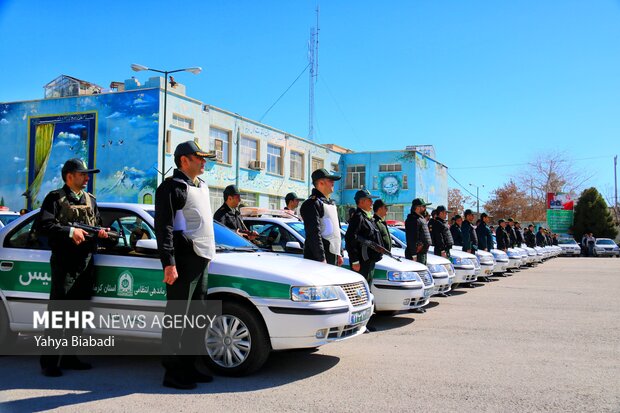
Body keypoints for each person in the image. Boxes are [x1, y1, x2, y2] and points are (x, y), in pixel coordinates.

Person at [37, 158, 109, 377]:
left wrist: (102, 233)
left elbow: (96, 224)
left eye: (87, 175)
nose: (87, 178)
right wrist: (70, 232)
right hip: (64, 263)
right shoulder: (54, 199)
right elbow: (44, 225)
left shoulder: (91, 200)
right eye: (82, 174)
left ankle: (69, 357)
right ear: (69, 176)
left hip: (85, 262)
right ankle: (49, 362)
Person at [155, 141, 217, 390]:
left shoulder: (201, 186)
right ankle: (172, 372)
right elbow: (164, 228)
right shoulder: (171, 188)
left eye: (204, 158)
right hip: (183, 259)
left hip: (202, 258)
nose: (204, 162)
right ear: (183, 161)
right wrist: (168, 263)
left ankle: (190, 367)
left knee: (197, 316)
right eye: (198, 158)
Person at [299, 168, 343, 266]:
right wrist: (321, 258)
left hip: (332, 255)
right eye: (330, 180)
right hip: (319, 259)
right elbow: (313, 234)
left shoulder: (331, 203)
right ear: (321, 183)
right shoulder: (311, 204)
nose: (333, 183)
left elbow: (336, 230)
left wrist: (339, 253)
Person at [345, 189, 383, 286]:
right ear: (361, 202)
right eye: (369, 200)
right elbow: (350, 239)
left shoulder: (367, 217)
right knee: (360, 289)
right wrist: (355, 261)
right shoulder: (358, 217)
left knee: (367, 287)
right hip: (361, 262)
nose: (372, 202)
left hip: (369, 261)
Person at [404, 198, 432, 264]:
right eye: (424, 206)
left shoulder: (420, 218)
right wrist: (414, 255)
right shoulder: (412, 220)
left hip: (422, 253)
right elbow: (411, 238)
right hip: (416, 255)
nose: (425, 208)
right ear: (417, 207)